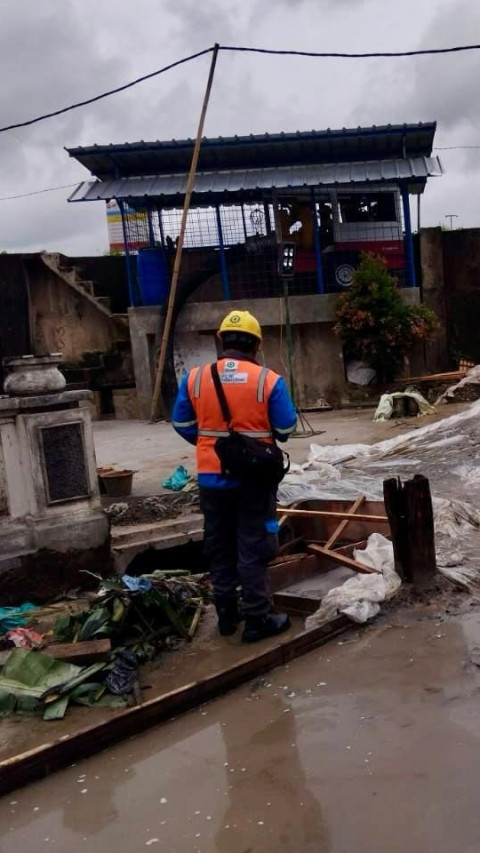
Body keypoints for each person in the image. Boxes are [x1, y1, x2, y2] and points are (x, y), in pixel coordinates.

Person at [172, 309, 297, 643]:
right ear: (256, 345)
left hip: (212, 479)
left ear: (221, 340)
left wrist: (210, 443)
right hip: (254, 481)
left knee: (220, 545)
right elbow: (286, 428)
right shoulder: (268, 380)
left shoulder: (195, 378)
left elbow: (181, 423)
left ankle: (227, 615)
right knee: (253, 546)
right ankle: (257, 618)